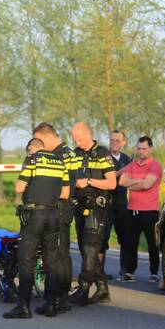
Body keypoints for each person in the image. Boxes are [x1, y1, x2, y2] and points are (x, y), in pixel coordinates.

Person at [3, 137, 69, 319]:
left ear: (32, 148)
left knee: (26, 260)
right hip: (54, 215)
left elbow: (18, 187)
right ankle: (51, 305)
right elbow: (65, 193)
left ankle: (23, 306)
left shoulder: (32, 160)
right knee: (51, 261)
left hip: (35, 216)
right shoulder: (60, 162)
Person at [69, 122, 117, 305]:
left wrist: (88, 181)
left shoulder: (103, 153)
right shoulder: (75, 154)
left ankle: (83, 288)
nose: (77, 141)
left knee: (90, 248)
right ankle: (103, 289)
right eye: (74, 139)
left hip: (97, 208)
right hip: (79, 207)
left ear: (88, 134)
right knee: (85, 250)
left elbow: (112, 183)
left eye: (79, 138)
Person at [32, 122, 76, 314]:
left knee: (54, 255)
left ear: (47, 137)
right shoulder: (70, 152)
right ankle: (63, 296)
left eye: (40, 141)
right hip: (67, 208)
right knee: (63, 253)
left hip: (57, 208)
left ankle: (55, 298)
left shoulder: (57, 156)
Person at [117, 136, 162, 283]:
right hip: (132, 210)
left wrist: (133, 184)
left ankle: (154, 273)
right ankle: (129, 272)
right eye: (139, 148)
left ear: (151, 149)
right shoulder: (132, 165)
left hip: (150, 211)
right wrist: (138, 181)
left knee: (152, 244)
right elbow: (122, 181)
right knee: (130, 243)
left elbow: (147, 185)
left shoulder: (155, 166)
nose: (141, 151)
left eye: (144, 149)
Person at [103, 129, 132, 281]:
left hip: (122, 204)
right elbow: (109, 177)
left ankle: (125, 270)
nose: (114, 143)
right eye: (112, 140)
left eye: (118, 140)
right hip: (106, 204)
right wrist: (122, 171)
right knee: (103, 238)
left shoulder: (127, 158)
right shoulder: (104, 157)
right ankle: (99, 271)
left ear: (123, 142)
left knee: (125, 238)